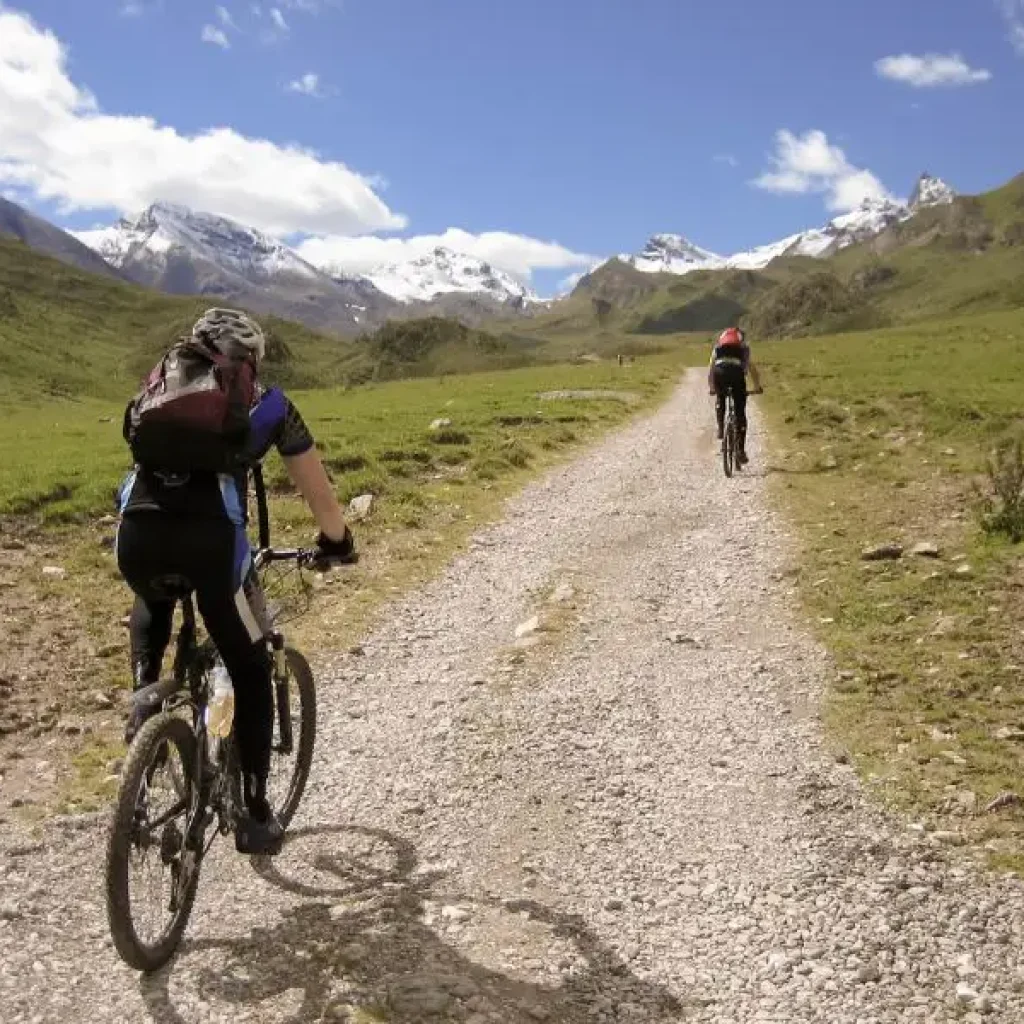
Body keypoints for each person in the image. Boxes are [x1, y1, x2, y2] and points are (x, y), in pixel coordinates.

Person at [115, 308, 357, 856]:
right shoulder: (269, 405)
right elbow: (318, 493)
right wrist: (338, 542)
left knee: (152, 595)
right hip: (214, 549)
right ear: (251, 361)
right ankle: (253, 814)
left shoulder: (160, 387)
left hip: (137, 536)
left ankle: (143, 707)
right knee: (249, 665)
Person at [708, 326, 763, 464]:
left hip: (720, 374)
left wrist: (712, 388)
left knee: (720, 397)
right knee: (740, 413)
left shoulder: (718, 348)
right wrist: (757, 387)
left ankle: (721, 429)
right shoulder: (744, 348)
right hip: (737, 376)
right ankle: (740, 451)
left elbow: (711, 369)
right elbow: (753, 370)